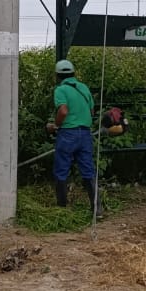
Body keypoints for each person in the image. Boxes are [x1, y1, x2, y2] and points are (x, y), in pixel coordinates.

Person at [46, 58, 102, 218]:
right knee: (88, 170)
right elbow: (91, 112)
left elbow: (63, 111)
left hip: (67, 134)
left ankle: (62, 208)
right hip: (85, 134)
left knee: (61, 169)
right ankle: (97, 209)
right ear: (73, 73)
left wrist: (55, 125)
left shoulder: (60, 90)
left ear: (57, 76)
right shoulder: (84, 88)